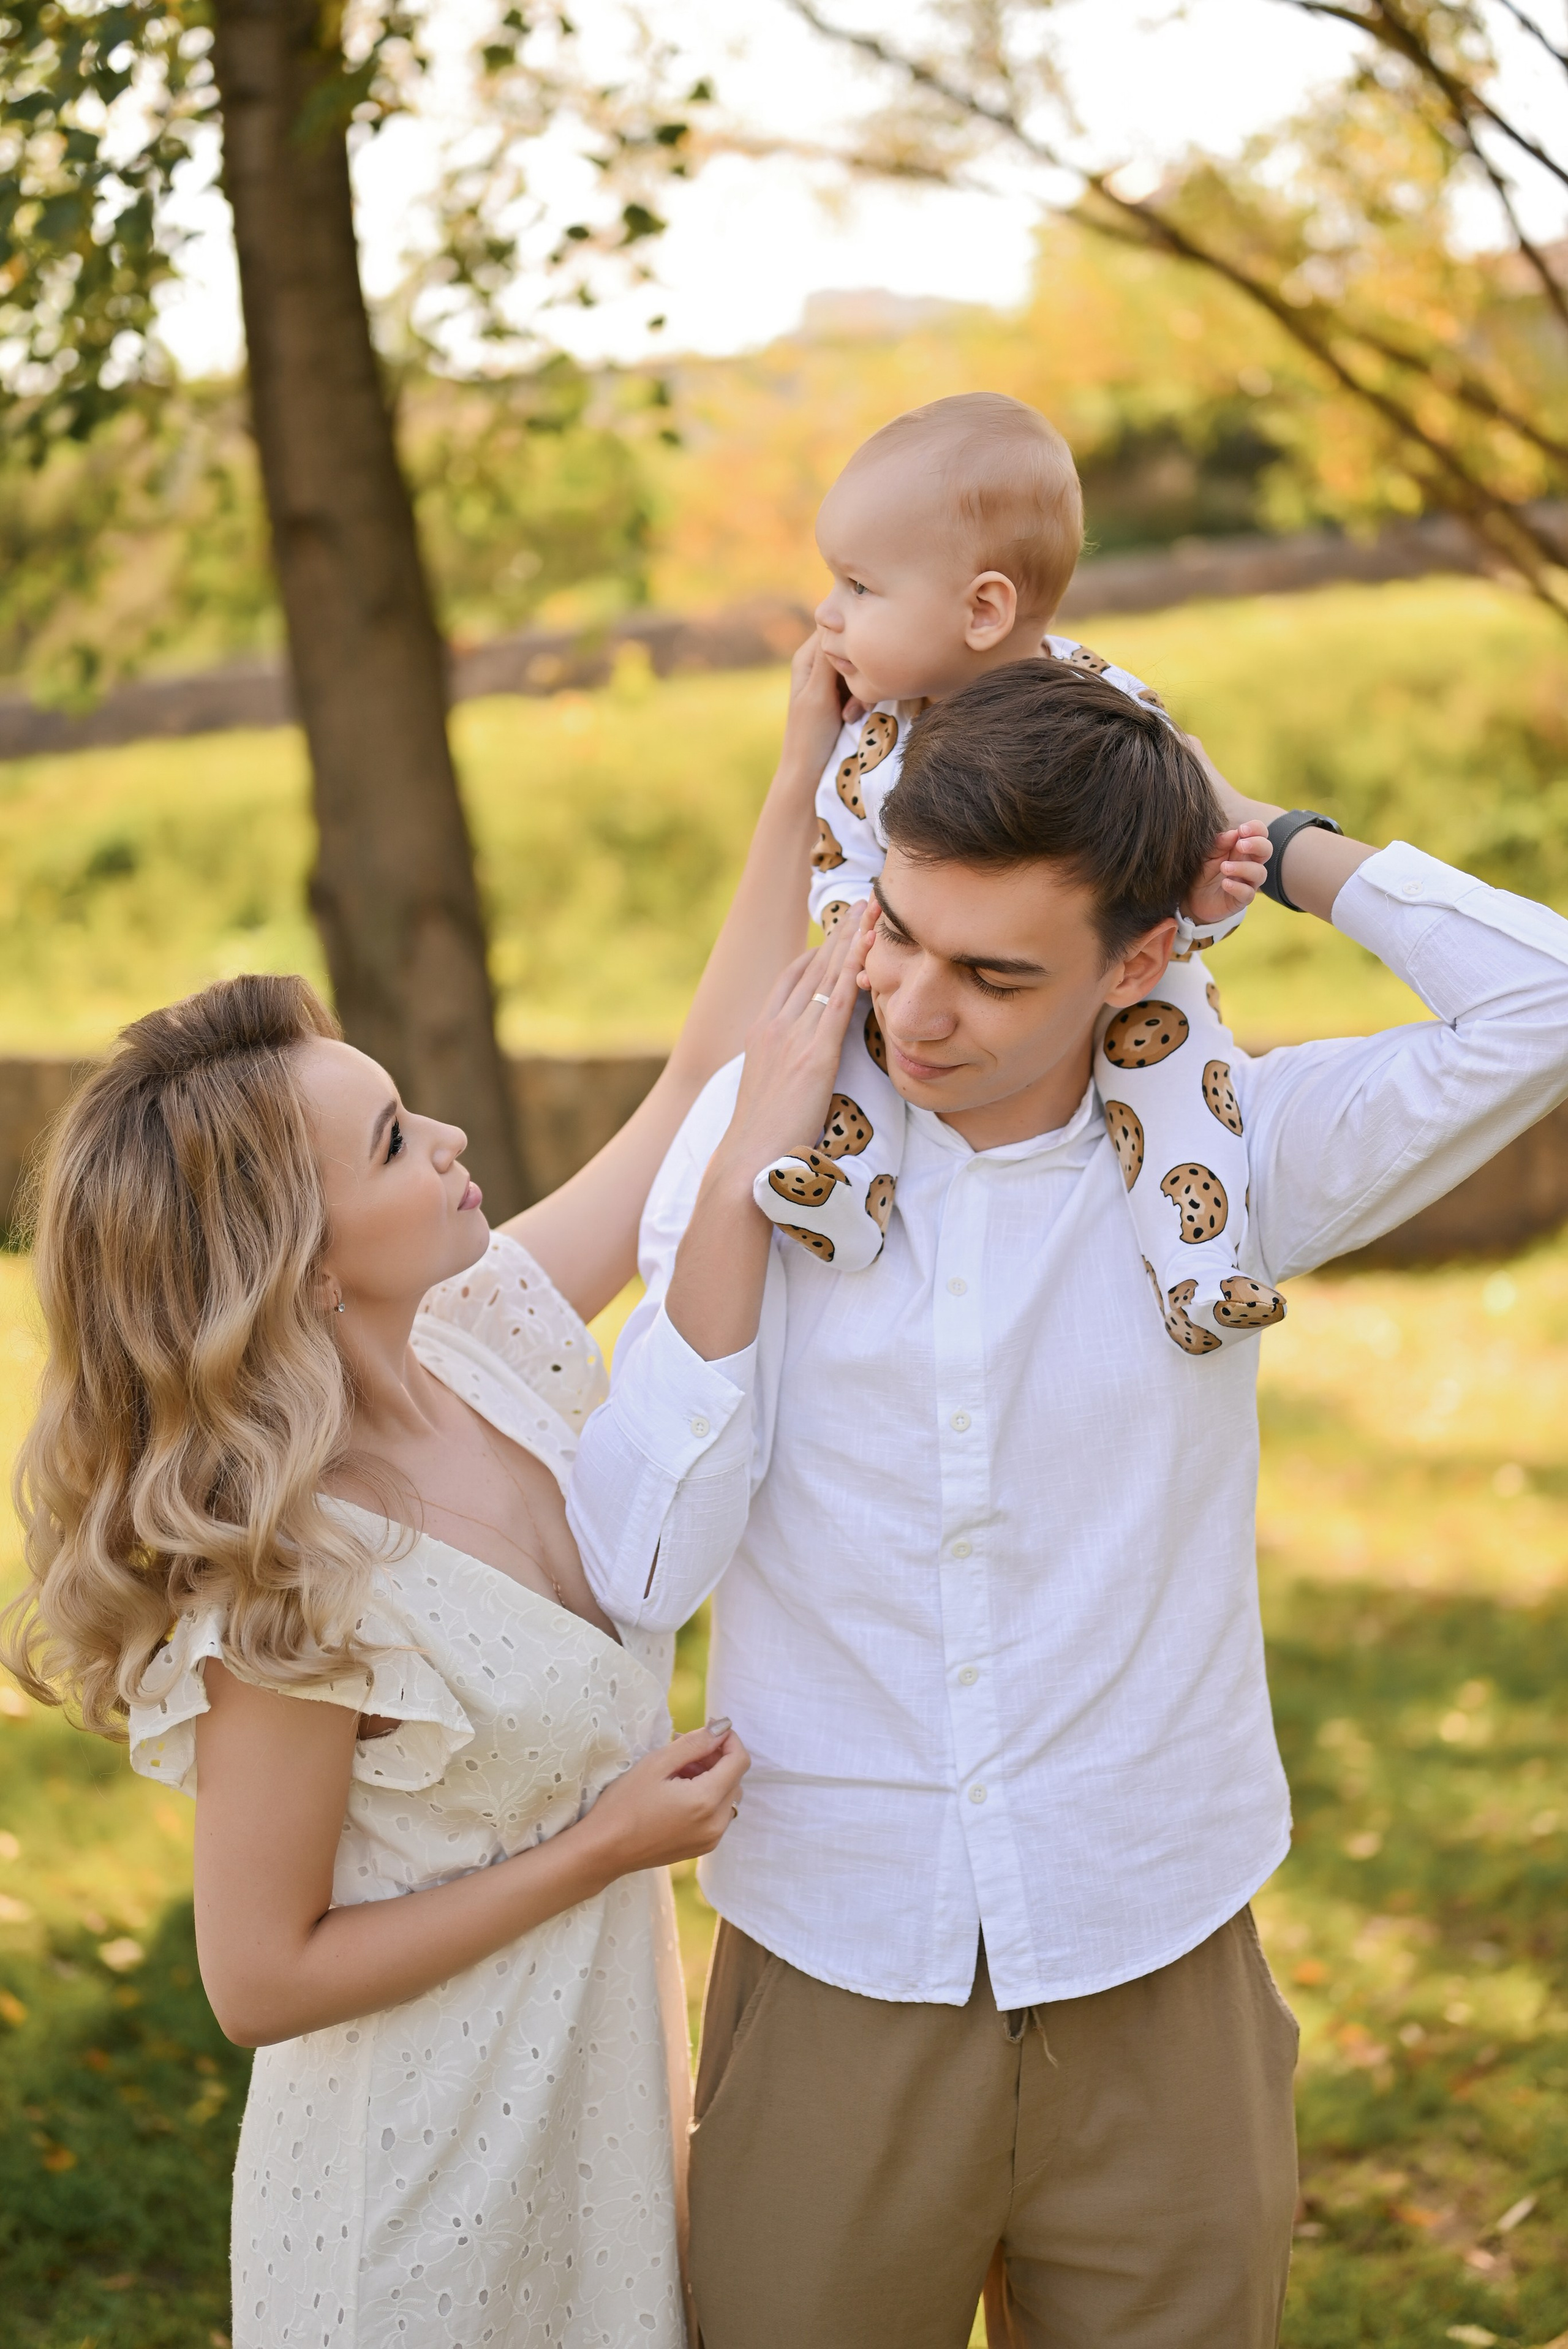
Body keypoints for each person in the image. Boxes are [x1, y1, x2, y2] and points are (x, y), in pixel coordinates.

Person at [567, 657, 1568, 2348]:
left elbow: (1543, 1001)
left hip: (1156, 1947)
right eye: (897, 933)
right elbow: (646, 1564)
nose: (915, 1009)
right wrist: (746, 1181)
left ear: (1142, 959)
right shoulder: (768, 1164)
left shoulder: (1233, 1164)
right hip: (836, 1957)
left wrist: (1261, 834)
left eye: (994, 972)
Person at [0, 639, 852, 2349]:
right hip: (412, 2215)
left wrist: (801, 790)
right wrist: (606, 1842)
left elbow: (689, 1097)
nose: (452, 1136)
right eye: (394, 1140)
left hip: (589, 2140)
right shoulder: (284, 1575)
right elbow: (260, 1978)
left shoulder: (488, 1337)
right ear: (297, 1272)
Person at [753, 391, 1282, 1351]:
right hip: (909, 967)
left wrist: (1203, 907)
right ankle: (841, 1184)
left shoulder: (1110, 718)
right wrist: (858, 928)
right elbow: (841, 857)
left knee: (1185, 1066)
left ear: (985, 608)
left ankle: (1204, 1266)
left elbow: (1156, 879)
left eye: (860, 590)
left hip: (1123, 971)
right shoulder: (872, 743)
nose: (827, 617)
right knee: (861, 1024)